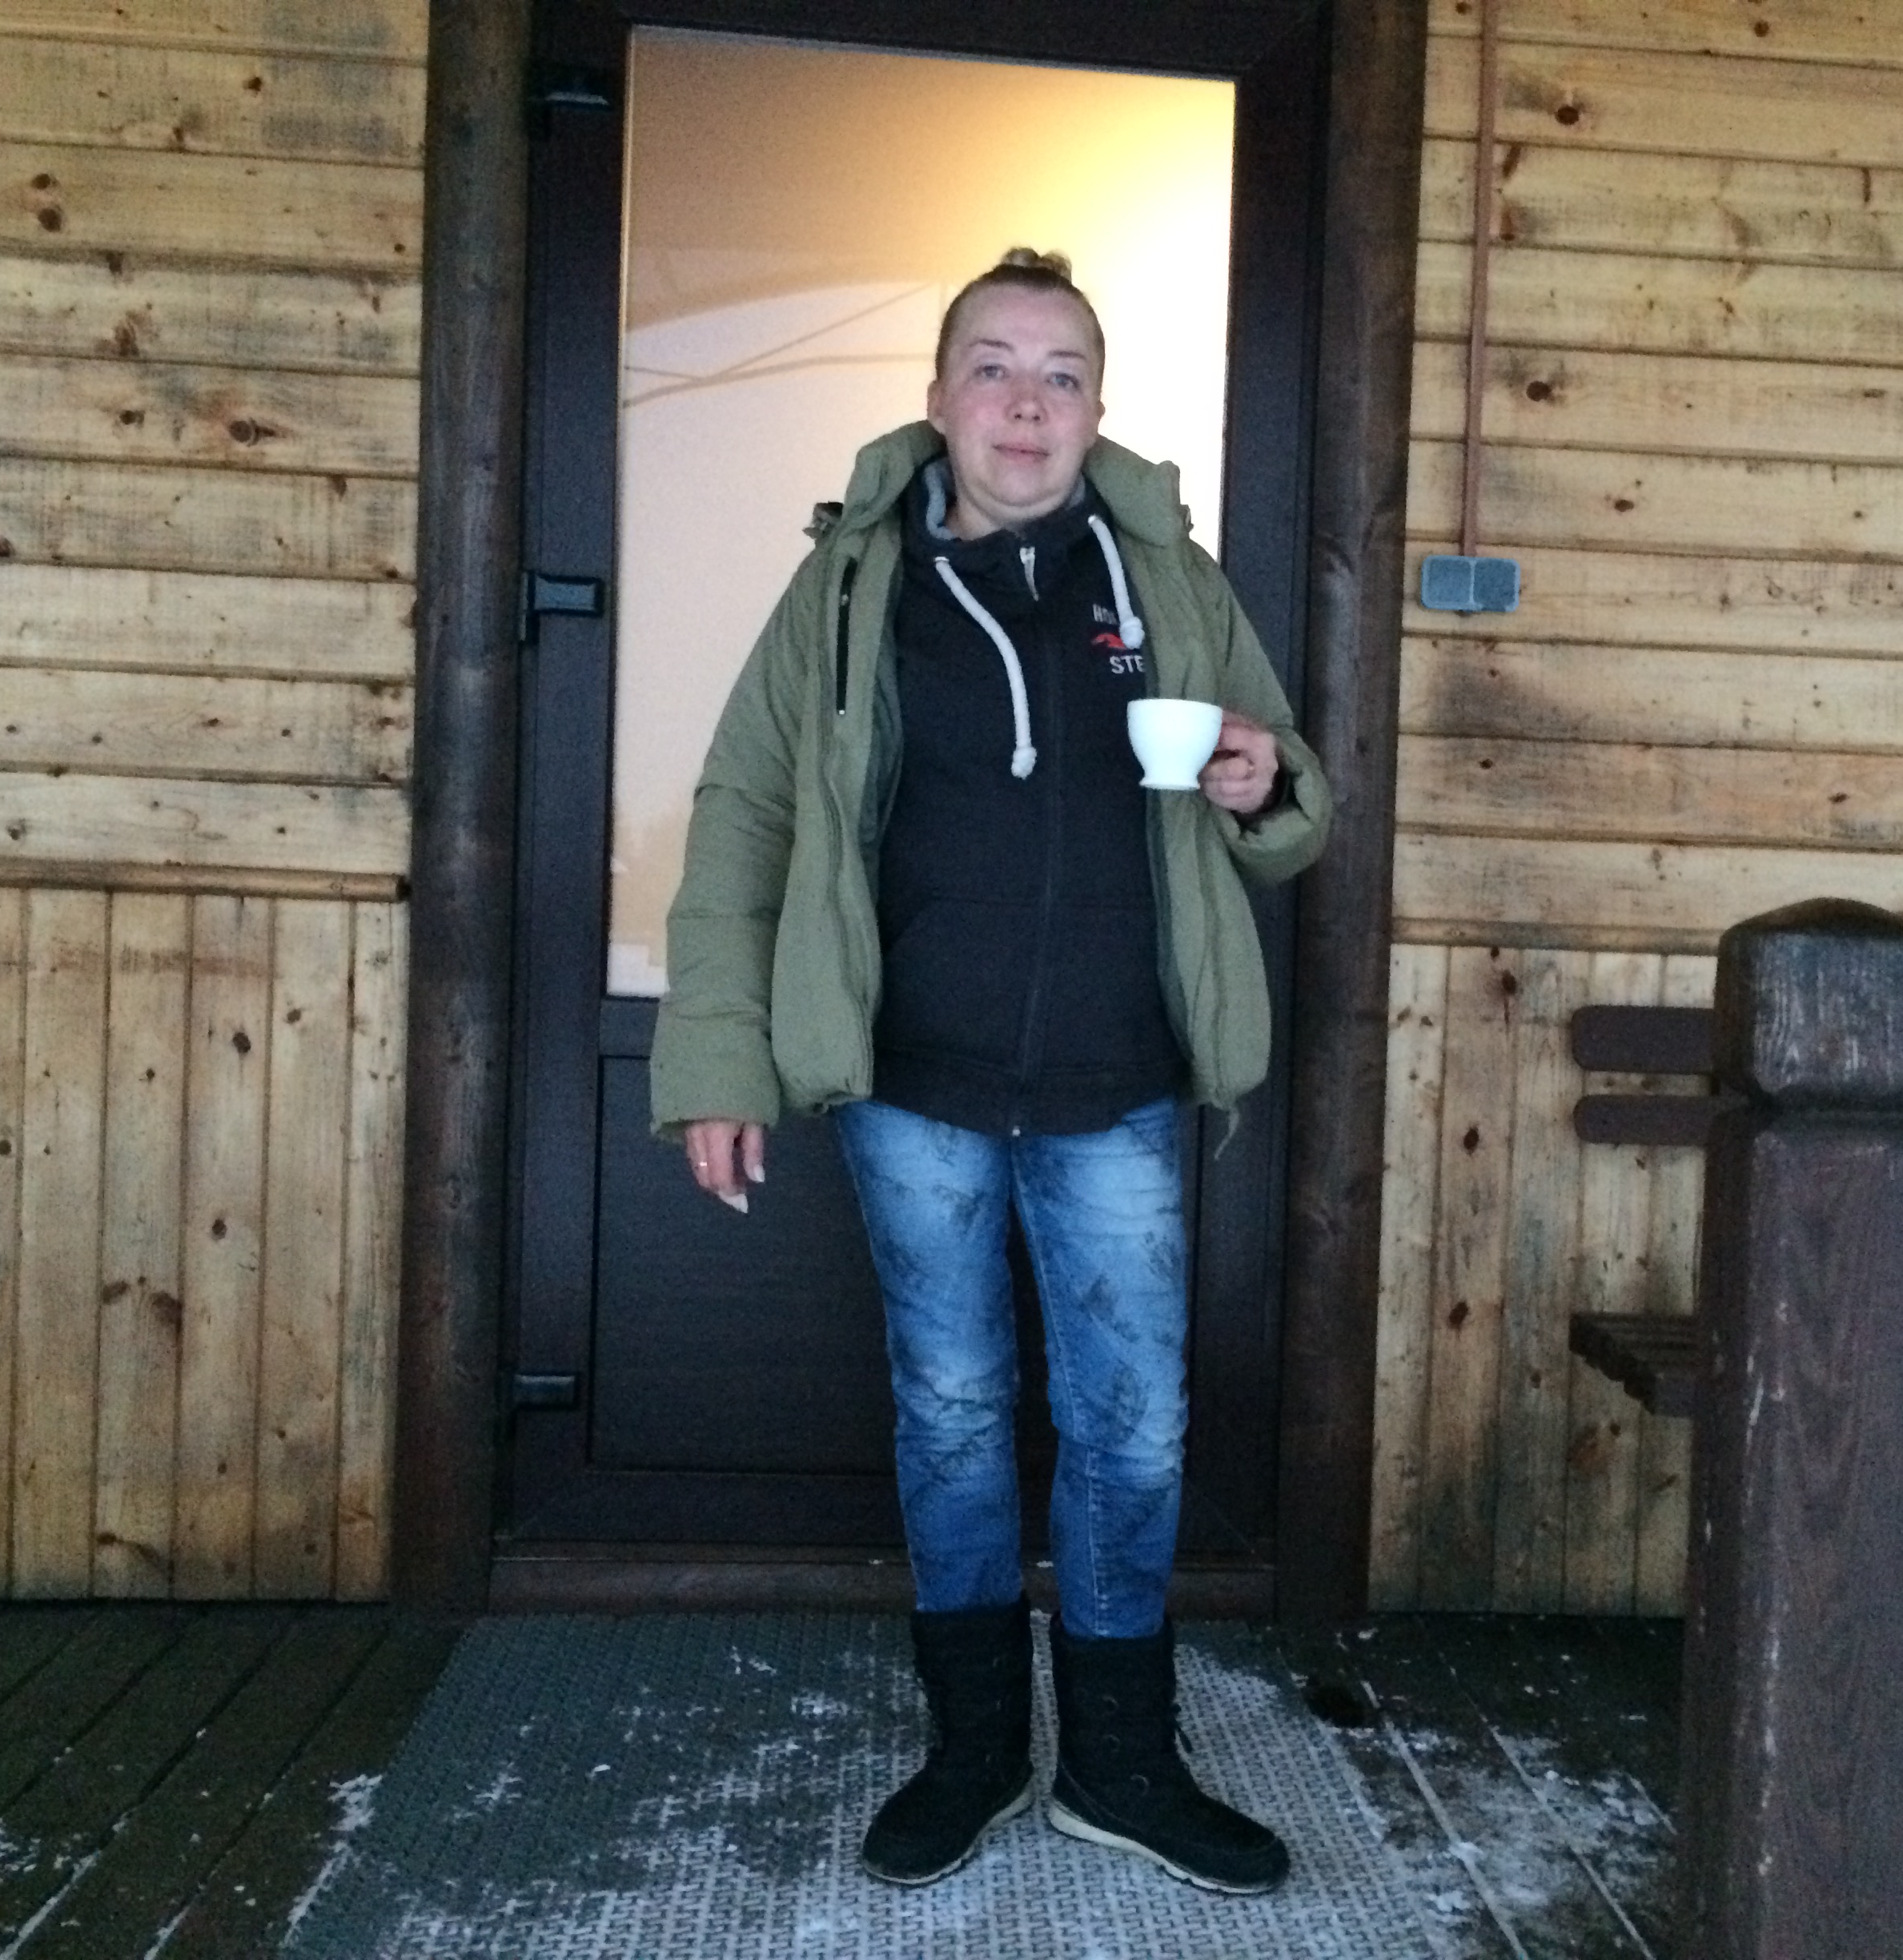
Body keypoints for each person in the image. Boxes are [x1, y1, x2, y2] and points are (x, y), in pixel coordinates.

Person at [648, 248, 1331, 1896]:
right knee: (952, 1415)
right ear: (940, 395)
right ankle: (973, 1751)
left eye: (1062, 375)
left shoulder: (1164, 575)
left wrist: (1260, 782)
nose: (1027, 405)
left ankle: (1119, 1763)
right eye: (996, 368)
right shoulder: (848, 587)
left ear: (1098, 409)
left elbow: (1284, 788)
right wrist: (718, 1060)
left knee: (1133, 1426)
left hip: (1118, 1082)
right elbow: (746, 814)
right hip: (915, 1083)